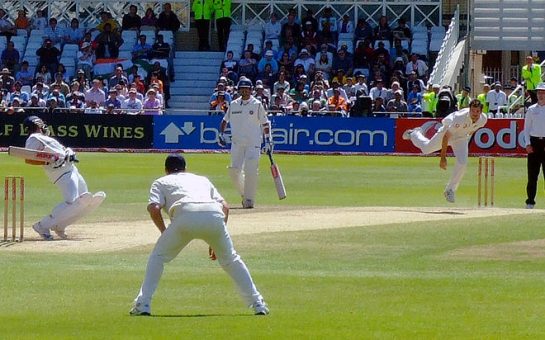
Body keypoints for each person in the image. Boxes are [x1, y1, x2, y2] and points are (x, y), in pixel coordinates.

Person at [129, 154, 269, 316]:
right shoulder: (201, 179)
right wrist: (214, 240)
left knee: (158, 257)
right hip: (214, 215)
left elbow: (154, 208)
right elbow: (225, 207)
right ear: (185, 168)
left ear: (166, 170)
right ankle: (258, 304)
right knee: (231, 260)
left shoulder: (160, 181)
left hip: (184, 215)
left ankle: (143, 304)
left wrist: (164, 232)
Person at [23, 116, 106, 240]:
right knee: (72, 201)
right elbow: (29, 159)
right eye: (41, 124)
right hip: (60, 173)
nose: (44, 126)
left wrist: (69, 152)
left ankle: (60, 226)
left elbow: (61, 151)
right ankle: (42, 225)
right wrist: (50, 161)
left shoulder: (47, 139)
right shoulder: (34, 138)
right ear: (37, 125)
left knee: (85, 201)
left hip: (71, 169)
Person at [402, 99, 487, 203]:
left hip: (461, 137)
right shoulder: (460, 118)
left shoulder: (483, 119)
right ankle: (414, 133)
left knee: (463, 163)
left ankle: (450, 190)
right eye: (473, 111)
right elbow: (446, 137)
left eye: (477, 111)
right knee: (426, 149)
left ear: (481, 111)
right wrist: (443, 158)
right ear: (469, 110)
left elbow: (474, 129)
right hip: (446, 132)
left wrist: (467, 134)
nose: (475, 114)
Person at [218, 77, 271, 208]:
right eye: (242, 89)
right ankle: (244, 194)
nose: (244, 91)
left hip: (253, 143)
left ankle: (249, 200)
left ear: (251, 90)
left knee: (251, 170)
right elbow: (225, 120)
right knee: (233, 171)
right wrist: (221, 134)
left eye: (247, 89)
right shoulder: (234, 104)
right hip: (237, 143)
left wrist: (268, 141)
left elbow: (265, 123)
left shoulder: (257, 104)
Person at [523, 83, 545, 209]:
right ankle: (530, 201)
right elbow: (526, 129)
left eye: (543, 92)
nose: (541, 95)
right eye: (539, 93)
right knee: (532, 175)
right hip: (534, 143)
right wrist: (527, 144)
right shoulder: (532, 109)